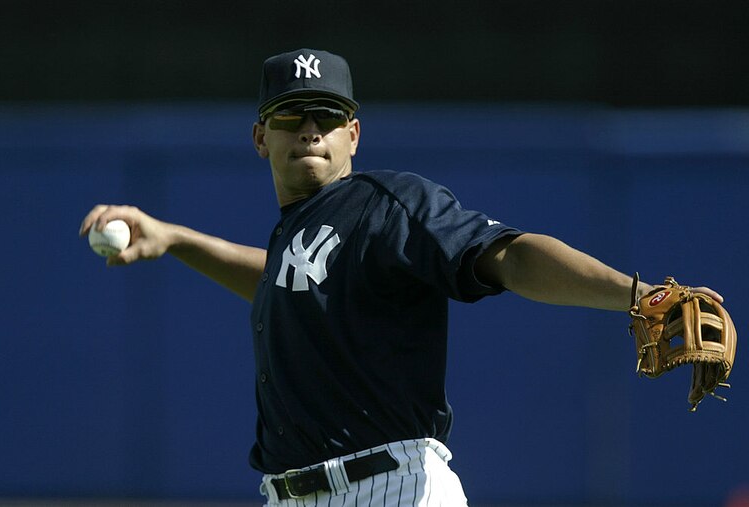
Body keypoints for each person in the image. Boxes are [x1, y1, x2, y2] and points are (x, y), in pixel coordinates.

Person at [79, 49, 723, 506]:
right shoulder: (298, 235)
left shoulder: (387, 204)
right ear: (260, 137)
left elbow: (510, 257)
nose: (311, 129)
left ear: (353, 134)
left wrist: (636, 293)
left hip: (390, 489)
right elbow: (284, 284)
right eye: (292, 114)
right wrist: (177, 239)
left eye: (327, 114)